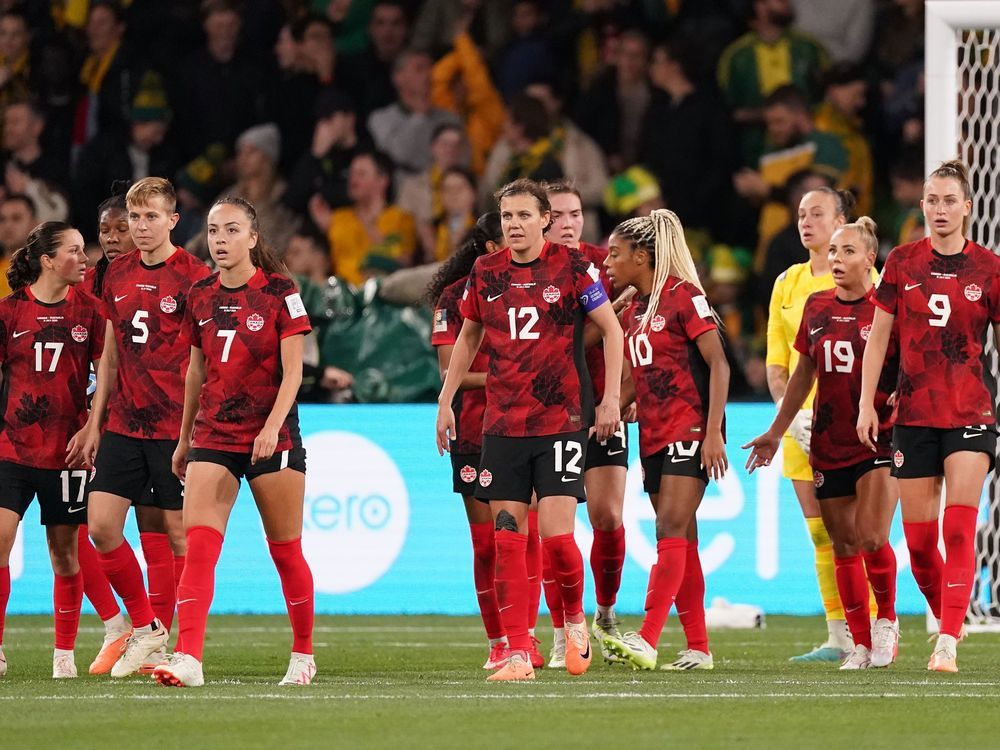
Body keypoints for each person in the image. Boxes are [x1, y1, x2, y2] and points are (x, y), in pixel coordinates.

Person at [435, 178, 624, 681]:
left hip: (559, 420)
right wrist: (447, 399)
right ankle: (518, 653)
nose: (513, 225)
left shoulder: (572, 267)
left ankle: (575, 621)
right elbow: (470, 332)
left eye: (523, 216)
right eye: (506, 217)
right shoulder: (486, 270)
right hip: (502, 424)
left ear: (545, 219)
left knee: (559, 539)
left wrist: (608, 399)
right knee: (507, 538)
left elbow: (610, 328)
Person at [155, 196, 315, 688]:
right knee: (199, 547)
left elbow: (295, 370)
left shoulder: (279, 291)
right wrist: (184, 439)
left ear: (252, 237)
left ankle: (303, 654)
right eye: (213, 231)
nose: (219, 240)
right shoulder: (200, 296)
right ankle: (189, 657)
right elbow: (195, 373)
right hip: (214, 435)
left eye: (230, 231)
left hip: (273, 437)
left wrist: (272, 426)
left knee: (285, 551)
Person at [858, 161, 1000, 672]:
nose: (939, 209)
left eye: (949, 201)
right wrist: (864, 403)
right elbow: (879, 339)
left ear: (966, 207)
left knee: (958, 531)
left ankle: (947, 642)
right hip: (913, 413)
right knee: (919, 544)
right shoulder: (901, 262)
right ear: (922, 206)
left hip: (970, 412)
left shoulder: (990, 268)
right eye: (931, 201)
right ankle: (948, 619)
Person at [745, 217, 900, 669]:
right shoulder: (816, 307)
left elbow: (909, 367)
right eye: (833, 251)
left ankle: (886, 621)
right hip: (828, 440)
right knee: (843, 545)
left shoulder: (888, 309)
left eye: (847, 251)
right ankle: (859, 644)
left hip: (877, 437)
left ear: (870, 258)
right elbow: (803, 374)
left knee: (871, 537)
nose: (835, 259)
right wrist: (777, 430)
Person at [81, 177, 211, 678]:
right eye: (134, 217)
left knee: (179, 538)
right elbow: (110, 351)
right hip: (122, 423)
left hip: (173, 425)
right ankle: (147, 627)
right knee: (101, 528)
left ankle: (182, 645)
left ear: (173, 221)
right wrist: (96, 421)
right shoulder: (114, 273)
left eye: (150, 216)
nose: (139, 227)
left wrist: (195, 428)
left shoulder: (196, 277)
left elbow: (202, 359)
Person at [597, 210, 729, 671]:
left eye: (615, 254)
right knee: (684, 538)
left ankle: (648, 638)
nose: (608, 263)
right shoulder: (637, 308)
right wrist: (608, 407)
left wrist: (713, 433)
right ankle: (699, 648)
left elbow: (719, 364)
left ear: (642, 256)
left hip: (690, 427)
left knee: (669, 530)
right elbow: (643, 376)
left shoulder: (684, 297)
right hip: (653, 432)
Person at [0, 222, 105, 679]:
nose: (85, 259)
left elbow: (105, 377)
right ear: (46, 259)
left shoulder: (92, 312)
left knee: (65, 554)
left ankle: (64, 654)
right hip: (13, 447)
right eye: (75, 251)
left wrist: (93, 428)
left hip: (68, 451)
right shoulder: (9, 313)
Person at [767, 186, 861, 661]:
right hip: (802, 425)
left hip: (853, 425)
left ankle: (874, 627)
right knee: (821, 532)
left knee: (857, 532)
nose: (806, 222)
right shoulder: (786, 282)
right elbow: (777, 364)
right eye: (801, 213)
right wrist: (795, 416)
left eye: (817, 213)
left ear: (842, 219)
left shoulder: (863, 276)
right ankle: (838, 635)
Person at [542, 180, 627, 668]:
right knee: (556, 530)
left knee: (608, 518)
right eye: (556, 215)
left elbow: (632, 328)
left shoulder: (607, 262)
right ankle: (562, 630)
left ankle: (607, 612)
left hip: (602, 409)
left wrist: (621, 395)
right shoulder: (525, 275)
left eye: (574, 213)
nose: (568, 224)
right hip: (551, 414)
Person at [428, 211, 506, 669]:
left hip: (527, 424)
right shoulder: (455, 299)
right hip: (475, 429)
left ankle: (530, 636)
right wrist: (511, 373)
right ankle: (498, 640)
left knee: (527, 536)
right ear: (488, 248)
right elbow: (447, 372)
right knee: (486, 544)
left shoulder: (538, 287)